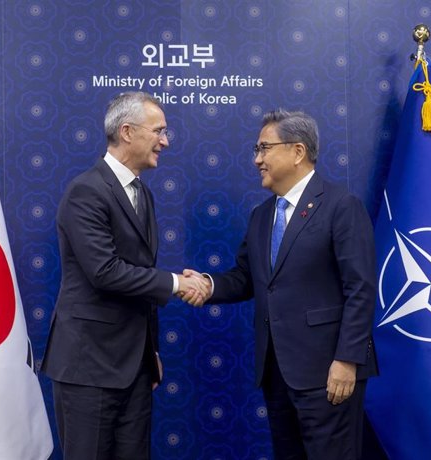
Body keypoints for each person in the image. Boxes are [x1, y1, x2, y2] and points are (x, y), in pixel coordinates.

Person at [183, 109, 378, 459]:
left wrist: (348, 360)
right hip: (277, 375)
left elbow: (360, 288)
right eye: (257, 150)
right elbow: (246, 277)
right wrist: (208, 285)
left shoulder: (340, 206)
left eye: (264, 148)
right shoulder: (262, 215)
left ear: (298, 151)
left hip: (328, 373)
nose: (257, 159)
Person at [41, 91, 208, 460]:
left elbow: (141, 276)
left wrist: (151, 351)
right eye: (159, 131)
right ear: (128, 131)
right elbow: (105, 272)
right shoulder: (86, 191)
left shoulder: (142, 194)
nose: (165, 141)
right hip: (89, 366)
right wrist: (178, 284)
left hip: (134, 368)